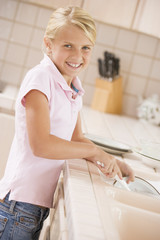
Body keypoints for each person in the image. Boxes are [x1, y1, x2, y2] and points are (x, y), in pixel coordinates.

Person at [0, 6, 134, 240]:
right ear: (48, 44)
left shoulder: (72, 86)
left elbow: (76, 138)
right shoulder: (41, 78)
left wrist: (110, 160)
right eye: (68, 45)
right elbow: (41, 145)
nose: (77, 56)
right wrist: (93, 151)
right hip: (18, 205)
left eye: (85, 48)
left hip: (34, 206)